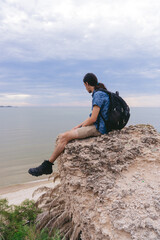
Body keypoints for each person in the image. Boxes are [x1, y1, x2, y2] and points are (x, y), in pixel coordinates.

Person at [28, 73, 110, 177]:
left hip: (100, 129)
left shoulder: (97, 95)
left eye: (84, 86)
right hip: (102, 125)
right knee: (71, 132)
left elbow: (93, 119)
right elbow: (92, 117)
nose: (85, 88)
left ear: (86, 84)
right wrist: (79, 126)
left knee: (64, 137)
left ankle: (47, 166)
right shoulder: (102, 92)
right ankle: (47, 165)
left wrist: (83, 127)